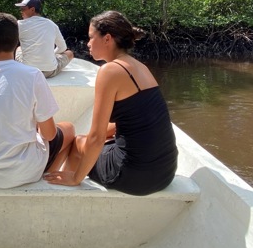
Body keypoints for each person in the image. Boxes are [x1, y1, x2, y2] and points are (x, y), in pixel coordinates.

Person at [44, 10, 178, 196]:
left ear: (107, 39)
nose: (88, 43)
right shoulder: (140, 67)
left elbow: (97, 137)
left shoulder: (110, 71)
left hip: (134, 176)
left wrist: (76, 177)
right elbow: (135, 119)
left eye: (91, 37)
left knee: (79, 143)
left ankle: (62, 187)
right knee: (94, 139)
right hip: (165, 172)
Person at [0, 12, 75, 189]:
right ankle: (43, 178)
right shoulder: (32, 75)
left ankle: (38, 173)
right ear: (16, 43)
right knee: (68, 129)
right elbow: (49, 135)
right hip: (17, 172)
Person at [14, 0, 74, 78]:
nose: (21, 11)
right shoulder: (51, 24)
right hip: (49, 71)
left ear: (32, 10)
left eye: (23, 9)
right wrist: (52, 54)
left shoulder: (19, 25)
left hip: (27, 71)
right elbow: (63, 47)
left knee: (19, 48)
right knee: (69, 53)